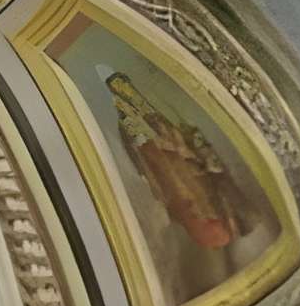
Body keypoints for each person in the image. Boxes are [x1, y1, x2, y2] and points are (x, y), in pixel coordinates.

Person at [103, 68, 271, 252]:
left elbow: (159, 185)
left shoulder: (173, 215)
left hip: (155, 151)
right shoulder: (219, 188)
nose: (202, 214)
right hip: (167, 147)